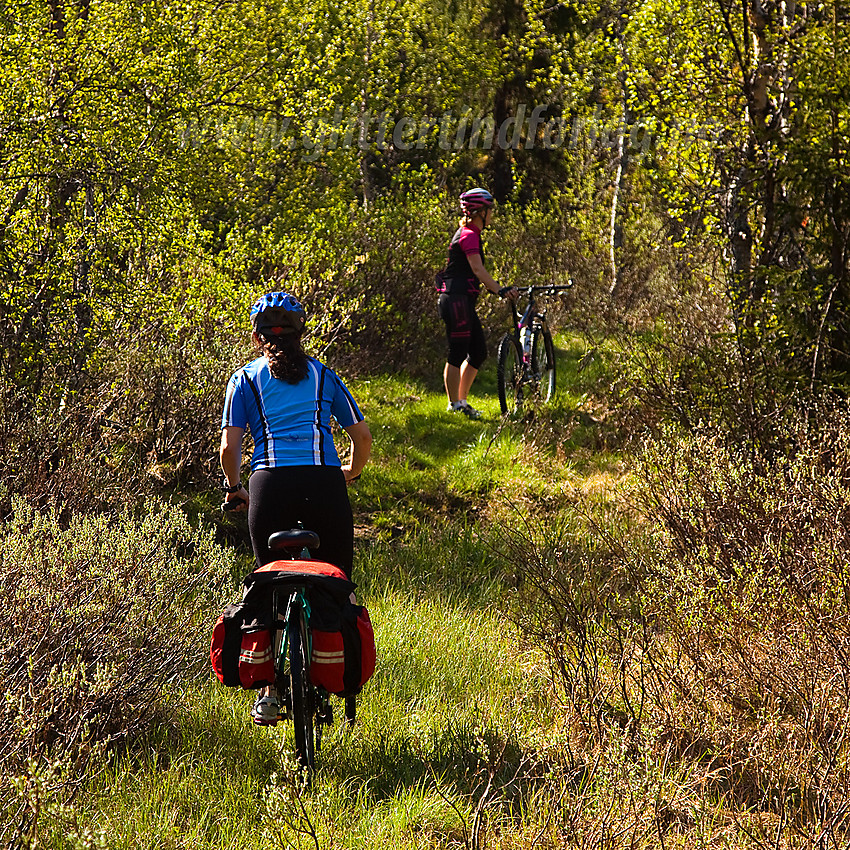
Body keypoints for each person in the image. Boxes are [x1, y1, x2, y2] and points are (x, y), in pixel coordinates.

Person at [219, 291, 372, 724]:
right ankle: (339, 673)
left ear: (256, 338)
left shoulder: (244, 380)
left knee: (269, 581)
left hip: (270, 485)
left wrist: (235, 488)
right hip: (323, 482)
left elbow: (230, 446)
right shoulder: (324, 376)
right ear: (301, 334)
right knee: (337, 580)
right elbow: (361, 438)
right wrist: (349, 473)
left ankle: (268, 691)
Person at [437, 187, 517, 419]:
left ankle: (461, 401)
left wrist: (497, 289)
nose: (491, 214)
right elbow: (477, 268)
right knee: (458, 352)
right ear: (479, 211)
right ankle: (455, 405)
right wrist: (500, 290)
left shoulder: (471, 232)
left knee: (479, 351)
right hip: (456, 299)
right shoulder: (468, 234)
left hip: (462, 299)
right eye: (489, 210)